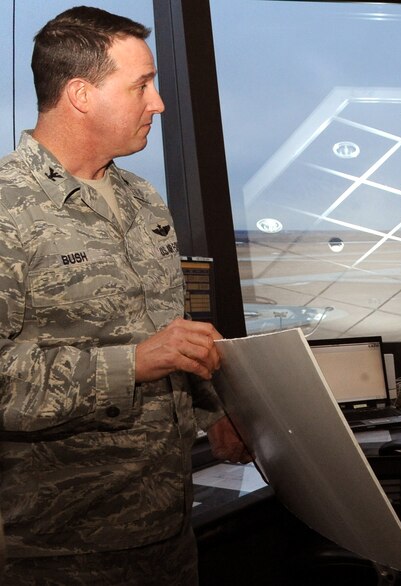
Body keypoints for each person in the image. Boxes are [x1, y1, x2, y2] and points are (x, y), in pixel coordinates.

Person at [0, 6, 250, 584]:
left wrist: (216, 412)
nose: (157, 103)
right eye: (142, 85)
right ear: (81, 94)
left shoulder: (142, 199)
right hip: (62, 549)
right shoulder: (10, 210)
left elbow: (169, 333)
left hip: (168, 526)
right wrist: (134, 364)